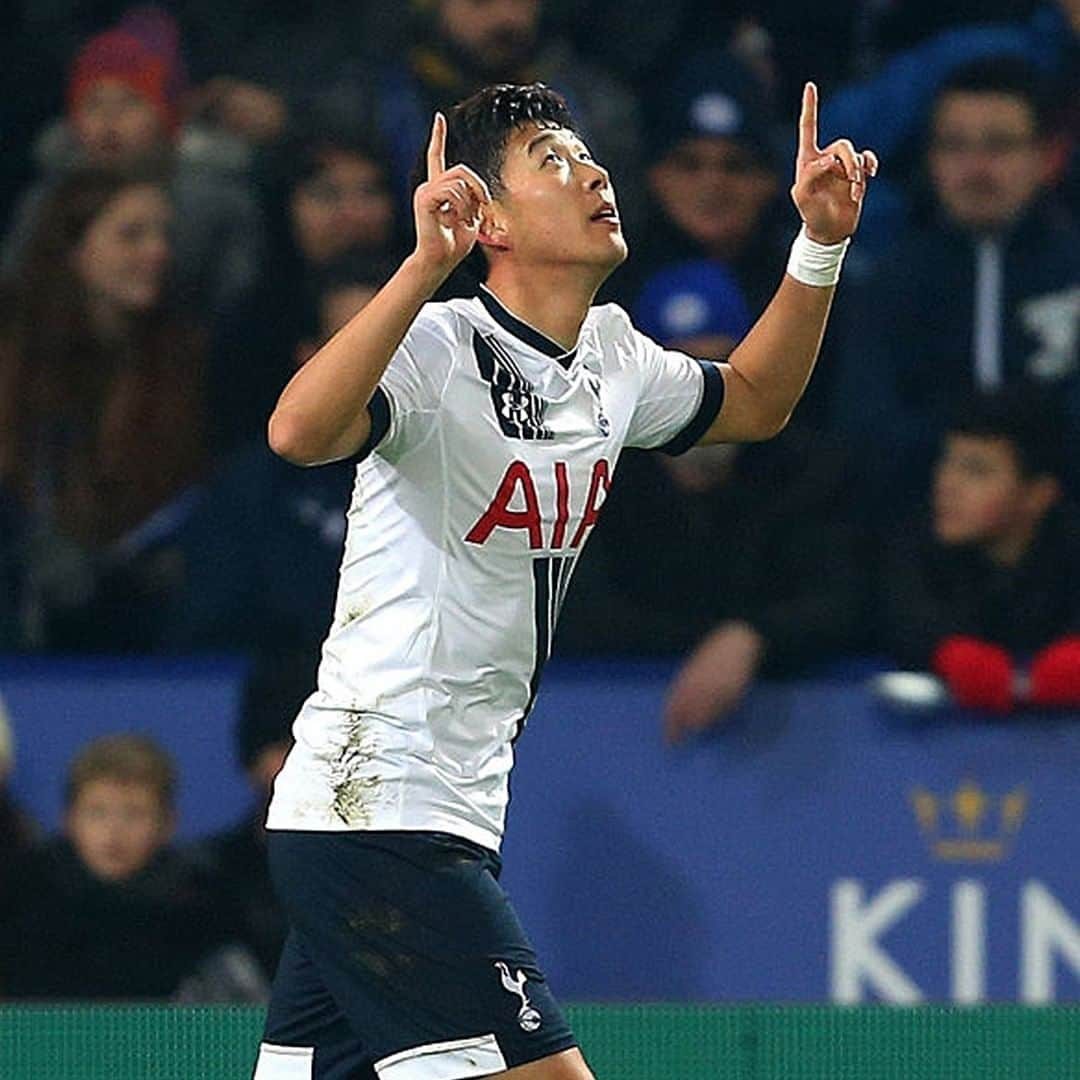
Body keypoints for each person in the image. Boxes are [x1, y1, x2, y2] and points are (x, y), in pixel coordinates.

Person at [254, 81, 875, 1078]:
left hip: (413, 818)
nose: (591, 173)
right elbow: (297, 432)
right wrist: (423, 266)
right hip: (384, 813)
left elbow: (753, 401)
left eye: (589, 155)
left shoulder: (613, 357)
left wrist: (819, 246)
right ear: (486, 215)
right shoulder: (436, 348)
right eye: (552, 159)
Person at [557, 268, 866, 742]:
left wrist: (753, 636)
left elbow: (842, 596)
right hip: (602, 731)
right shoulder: (589, 470)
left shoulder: (804, 471)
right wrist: (709, 638)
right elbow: (572, 610)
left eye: (719, 366)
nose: (699, 394)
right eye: (680, 369)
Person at [831, 56, 1080, 515]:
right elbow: (866, 427)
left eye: (999, 145)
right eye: (955, 145)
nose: (976, 168)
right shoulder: (891, 283)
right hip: (918, 541)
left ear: (1050, 156)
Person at [0, 168, 208, 652]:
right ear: (73, 249)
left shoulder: (184, 358)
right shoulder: (15, 358)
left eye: (163, 235)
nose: (158, 252)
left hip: (149, 620)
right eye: (131, 235)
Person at [1, 10, 265, 314]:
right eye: (93, 103)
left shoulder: (213, 201)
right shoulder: (46, 197)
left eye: (130, 101)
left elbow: (234, 300)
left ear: (167, 115)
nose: (108, 121)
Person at [879, 387, 1080, 713]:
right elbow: (904, 618)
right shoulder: (916, 541)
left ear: (1039, 495)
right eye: (947, 462)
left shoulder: (1069, 545)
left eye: (976, 471)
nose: (947, 484)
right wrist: (945, 651)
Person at [0, 733, 231, 999]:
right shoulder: (21, 902)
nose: (114, 831)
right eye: (98, 812)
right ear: (68, 819)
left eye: (135, 813)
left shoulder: (204, 912)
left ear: (168, 823)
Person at [190, 652, 312, 989]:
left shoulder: (367, 877)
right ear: (251, 760)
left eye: (308, 750)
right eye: (283, 747)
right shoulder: (207, 880)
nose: (296, 765)